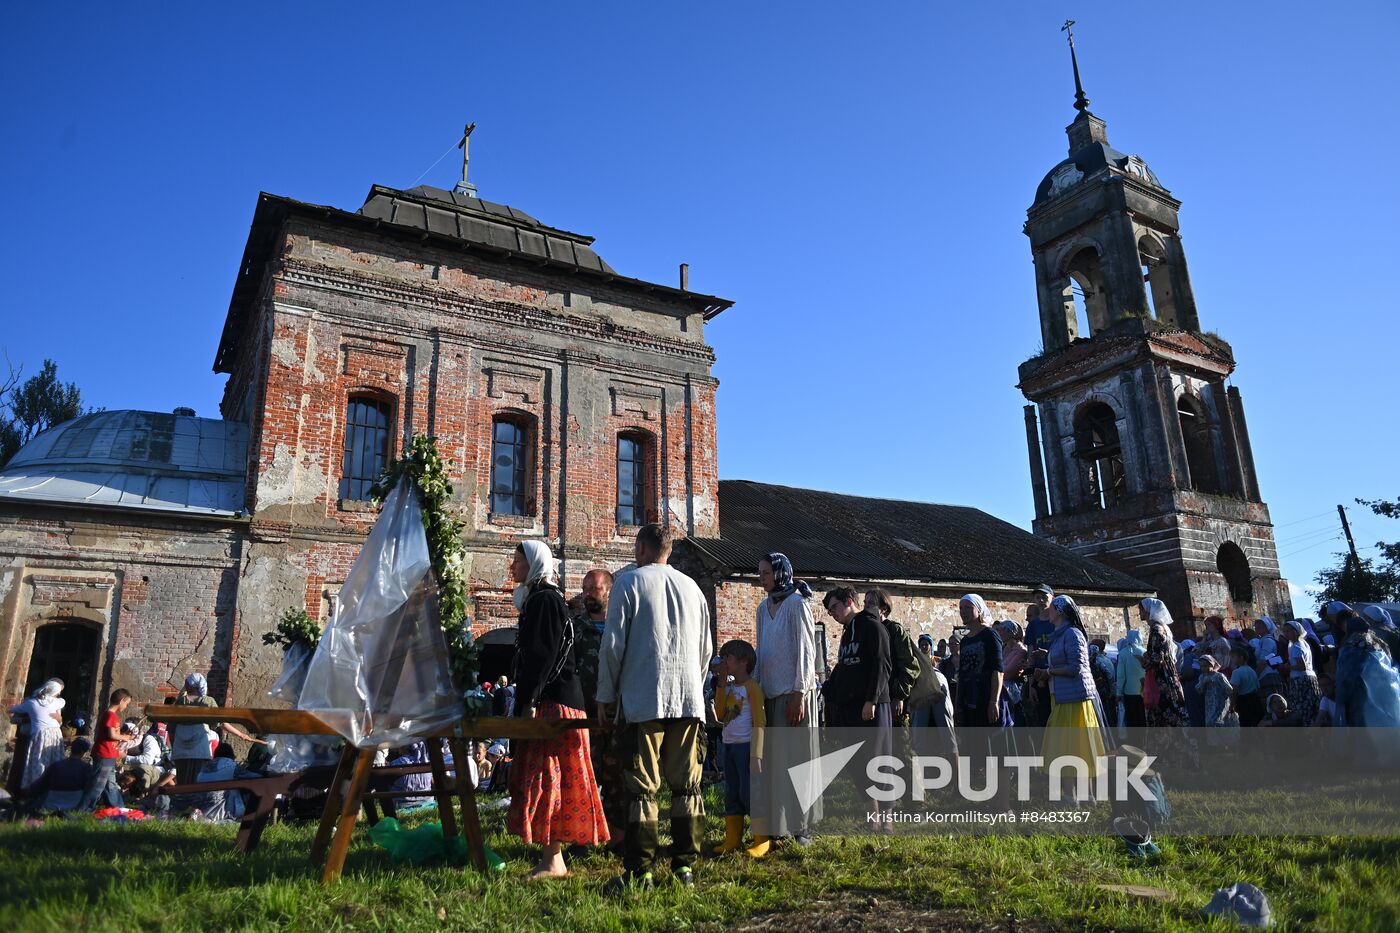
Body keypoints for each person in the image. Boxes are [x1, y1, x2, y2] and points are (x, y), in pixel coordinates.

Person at [597, 523, 712, 892]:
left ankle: (640, 871)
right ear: (669, 551)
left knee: (643, 788)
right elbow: (706, 650)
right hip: (688, 699)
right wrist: (694, 684)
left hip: (644, 698)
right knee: (687, 787)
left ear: (641, 549)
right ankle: (684, 868)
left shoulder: (629, 583)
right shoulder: (693, 588)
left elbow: (613, 645)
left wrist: (606, 693)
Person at [506, 540, 609, 880]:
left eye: (518, 561)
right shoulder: (539, 599)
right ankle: (553, 857)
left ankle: (553, 860)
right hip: (551, 700)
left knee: (548, 778)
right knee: (545, 777)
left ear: (534, 564)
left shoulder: (545, 600)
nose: (514, 566)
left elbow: (542, 657)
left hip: (555, 704)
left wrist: (529, 703)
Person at [752, 552, 821, 847]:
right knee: (775, 764)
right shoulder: (762, 607)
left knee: (798, 760)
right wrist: (754, 689)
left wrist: (799, 692)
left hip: (795, 696)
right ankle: (778, 825)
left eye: (766, 572)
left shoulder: (796, 604)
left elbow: (807, 651)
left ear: (780, 573)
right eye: (760, 573)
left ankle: (801, 826)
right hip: (770, 695)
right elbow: (761, 651)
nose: (762, 577)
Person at [571, 567, 626, 847]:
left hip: (618, 715)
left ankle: (617, 839)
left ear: (610, 591)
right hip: (585, 715)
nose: (588, 594)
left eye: (595, 588)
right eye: (585, 589)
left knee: (618, 778)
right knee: (584, 777)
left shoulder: (623, 627)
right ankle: (584, 838)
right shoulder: (575, 628)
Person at [1041, 595, 1106, 799]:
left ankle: (1075, 796)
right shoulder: (1061, 635)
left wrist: (1049, 672)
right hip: (1064, 696)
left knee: (1072, 746)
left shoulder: (1072, 634)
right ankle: (1083, 796)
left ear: (1060, 611)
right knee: (1072, 746)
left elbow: (1075, 667)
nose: (1047, 611)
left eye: (1051, 607)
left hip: (1075, 699)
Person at [711, 640, 767, 857]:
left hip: (746, 747)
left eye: (728, 658)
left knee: (750, 793)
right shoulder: (730, 687)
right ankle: (733, 837)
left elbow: (759, 722)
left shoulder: (752, 688)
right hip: (729, 746)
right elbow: (720, 712)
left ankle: (761, 839)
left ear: (743, 662)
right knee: (731, 792)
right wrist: (721, 684)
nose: (724, 662)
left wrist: (757, 754)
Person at [170, 673, 261, 785]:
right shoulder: (207, 701)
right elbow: (221, 722)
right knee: (199, 780)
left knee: (182, 782)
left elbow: (172, 727)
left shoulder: (180, 702)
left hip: (181, 748)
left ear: (191, 685)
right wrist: (241, 734)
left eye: (186, 682)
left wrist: (173, 746)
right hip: (199, 747)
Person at [864, 589, 920, 726]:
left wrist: (899, 696)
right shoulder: (865, 630)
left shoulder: (894, 630)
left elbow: (909, 665)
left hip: (891, 698)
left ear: (883, 608)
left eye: (871, 603)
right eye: (865, 603)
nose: (866, 607)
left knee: (898, 742)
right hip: (872, 697)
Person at [957, 595, 1008, 729]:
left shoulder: (989, 635)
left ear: (979, 610)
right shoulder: (964, 641)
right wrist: (958, 705)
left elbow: (998, 670)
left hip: (985, 697)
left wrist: (994, 701)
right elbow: (962, 674)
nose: (963, 611)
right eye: (961, 608)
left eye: (968, 607)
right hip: (969, 698)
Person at [80, 688, 133, 811]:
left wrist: (122, 738)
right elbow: (111, 735)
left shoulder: (111, 715)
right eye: (126, 703)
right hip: (104, 754)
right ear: (121, 700)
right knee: (99, 783)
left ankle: (118, 808)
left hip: (110, 754)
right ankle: (84, 808)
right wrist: (125, 737)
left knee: (111, 784)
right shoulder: (110, 715)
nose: (126, 706)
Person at [9, 679, 65, 791]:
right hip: (27, 736)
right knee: (26, 764)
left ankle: (45, 788)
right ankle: (22, 791)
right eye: (58, 691)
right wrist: (28, 718)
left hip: (44, 735)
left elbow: (59, 721)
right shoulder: (30, 701)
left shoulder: (55, 702)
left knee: (45, 762)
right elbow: (14, 719)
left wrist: (59, 718)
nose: (58, 694)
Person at [25, 738, 95, 813]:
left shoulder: (56, 765)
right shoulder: (87, 768)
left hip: (51, 803)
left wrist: (26, 794)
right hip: (74, 803)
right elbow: (89, 789)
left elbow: (40, 784)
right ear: (83, 752)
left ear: (71, 749)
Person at [1280, 620, 1321, 726]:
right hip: (1309, 677)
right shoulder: (1302, 643)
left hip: (1301, 681)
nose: (1286, 633)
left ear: (1296, 631)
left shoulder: (1296, 646)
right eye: (1285, 631)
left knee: (1304, 710)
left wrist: (1288, 667)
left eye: (1289, 631)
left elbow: (1301, 666)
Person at [1116, 630, 1147, 734]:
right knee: (1143, 719)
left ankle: (1134, 743)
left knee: (1132, 720)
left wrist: (1118, 692)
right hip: (1144, 691)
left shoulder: (1123, 653)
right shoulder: (1144, 651)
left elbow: (1121, 676)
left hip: (1129, 692)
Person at [997, 621, 1029, 725]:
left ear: (1010, 632)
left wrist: (997, 673)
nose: (999, 633)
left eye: (1002, 630)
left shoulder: (1020, 650)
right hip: (1001, 689)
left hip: (1014, 693)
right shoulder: (1003, 648)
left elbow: (1009, 671)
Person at [1228, 644, 1266, 727]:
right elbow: (1257, 687)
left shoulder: (1236, 672)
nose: (1231, 659)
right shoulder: (1252, 670)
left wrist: (1232, 705)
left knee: (1245, 725)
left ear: (1241, 657)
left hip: (1244, 701)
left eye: (1233, 657)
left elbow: (1235, 690)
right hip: (1255, 700)